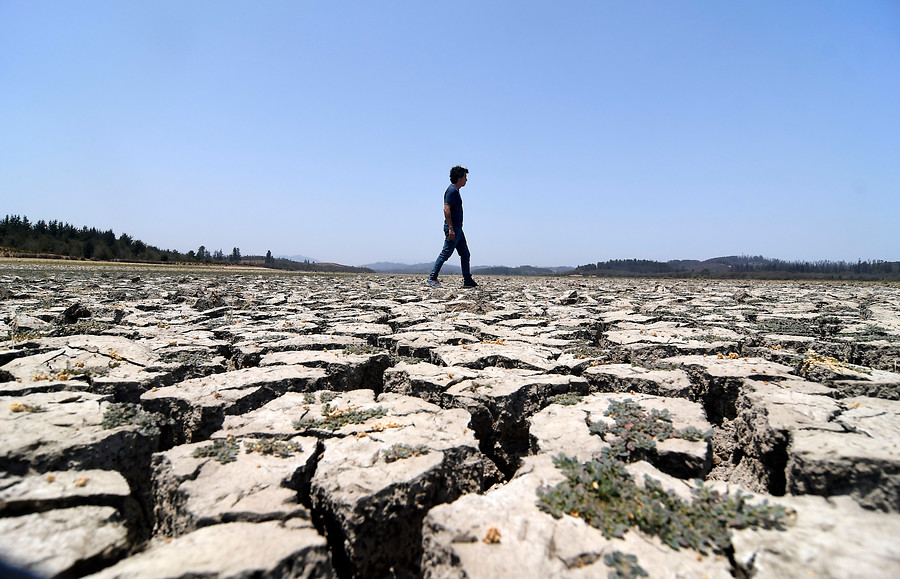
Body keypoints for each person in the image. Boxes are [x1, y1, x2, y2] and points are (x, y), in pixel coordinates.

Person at [428, 166, 477, 288]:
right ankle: (432, 278)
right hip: (453, 228)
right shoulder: (452, 191)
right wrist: (450, 228)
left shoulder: (455, 191)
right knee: (446, 253)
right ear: (459, 178)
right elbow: (446, 208)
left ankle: (467, 279)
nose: (466, 180)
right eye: (465, 177)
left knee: (465, 254)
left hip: (458, 229)